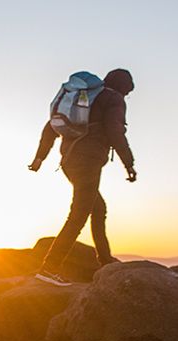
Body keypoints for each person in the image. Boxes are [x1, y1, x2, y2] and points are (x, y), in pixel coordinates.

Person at [28, 69, 137, 286]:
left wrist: (40, 157)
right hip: (88, 162)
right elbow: (115, 131)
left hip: (69, 161)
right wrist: (129, 163)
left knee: (98, 208)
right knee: (78, 215)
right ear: (123, 88)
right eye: (127, 93)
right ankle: (49, 268)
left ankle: (105, 260)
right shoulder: (113, 99)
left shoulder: (87, 97)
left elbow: (50, 127)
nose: (126, 97)